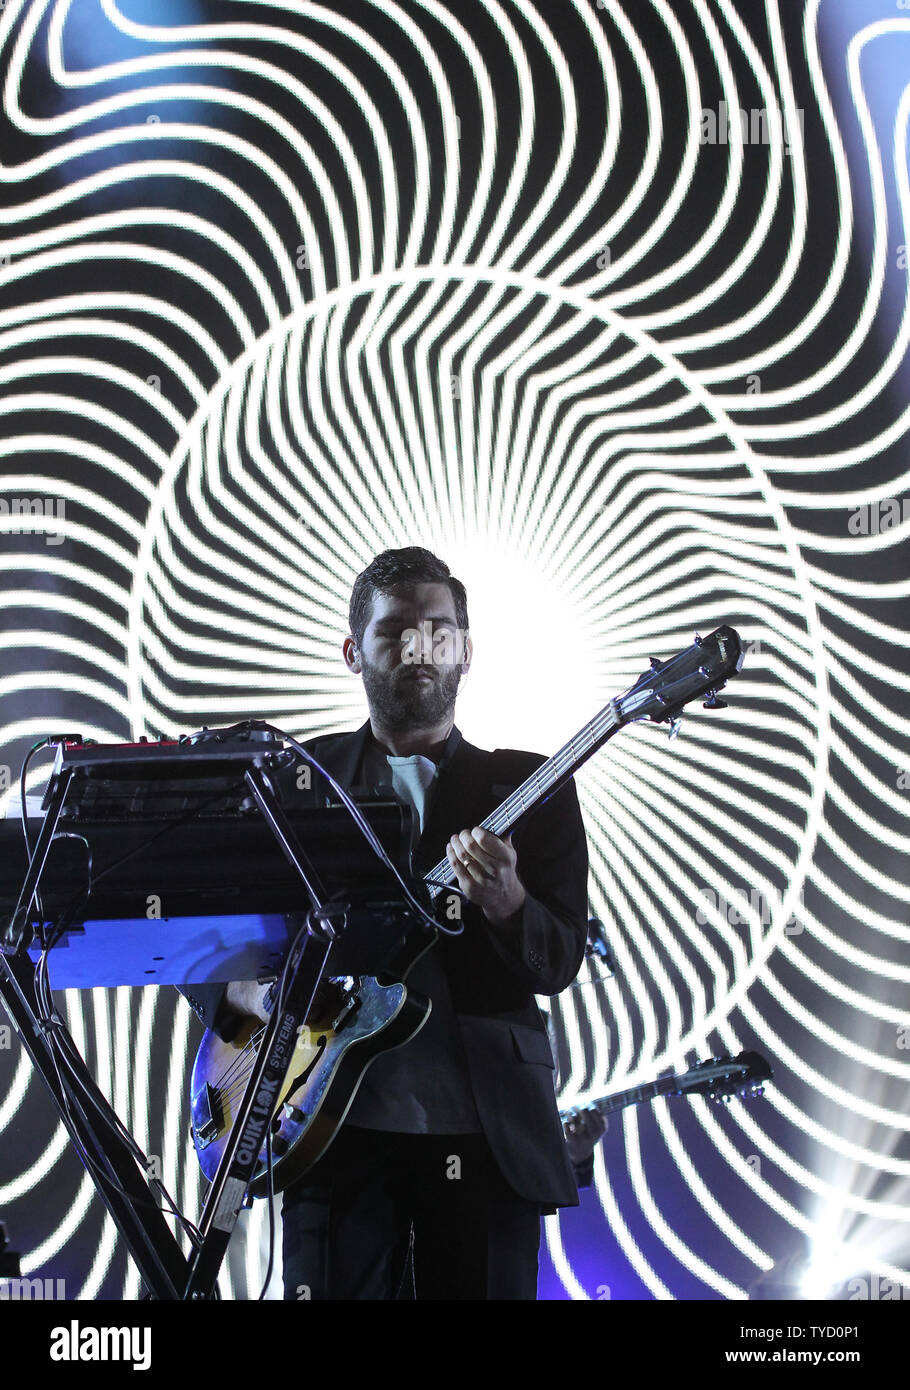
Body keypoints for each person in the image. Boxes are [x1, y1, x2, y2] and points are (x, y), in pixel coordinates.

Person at [182, 547, 590, 1299]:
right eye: (394, 631)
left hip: (486, 1139)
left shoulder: (532, 788)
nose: (418, 649)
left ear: (467, 651)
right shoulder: (294, 782)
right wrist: (253, 999)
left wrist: (508, 903)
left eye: (439, 631)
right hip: (324, 1131)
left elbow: (559, 962)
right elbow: (211, 937)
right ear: (352, 652)